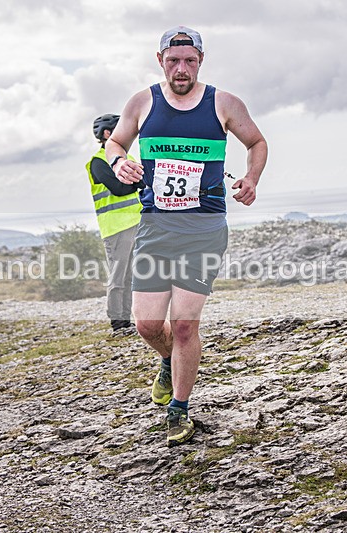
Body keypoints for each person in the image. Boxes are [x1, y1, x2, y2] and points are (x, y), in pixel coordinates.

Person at [105, 26, 268, 446]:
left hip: (204, 228)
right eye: (173, 61)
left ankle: (179, 409)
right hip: (156, 227)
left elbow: (256, 141)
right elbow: (116, 143)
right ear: (160, 60)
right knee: (145, 324)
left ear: (200, 61)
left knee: (182, 326)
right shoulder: (143, 102)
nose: (182, 69)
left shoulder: (224, 103)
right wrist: (120, 161)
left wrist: (251, 177)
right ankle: (166, 361)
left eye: (190, 61)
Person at [86, 114, 142, 335]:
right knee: (119, 275)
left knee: (131, 276)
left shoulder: (129, 159)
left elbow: (135, 184)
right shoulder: (99, 161)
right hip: (116, 227)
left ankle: (127, 321)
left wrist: (136, 182)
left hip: (136, 222)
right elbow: (120, 189)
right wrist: (138, 183)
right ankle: (118, 323)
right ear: (107, 134)